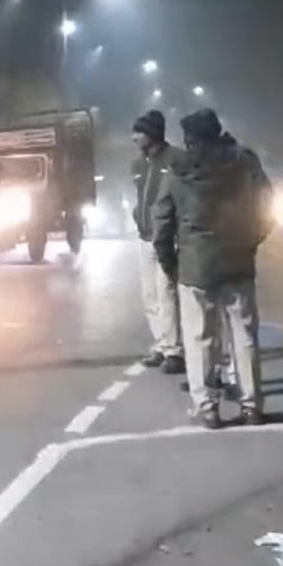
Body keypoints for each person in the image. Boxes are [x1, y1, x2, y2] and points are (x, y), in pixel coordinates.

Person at [154, 109, 274, 429]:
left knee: (200, 337)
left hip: (196, 264)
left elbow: (161, 224)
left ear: (189, 139)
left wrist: (171, 264)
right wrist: (252, 239)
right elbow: (268, 206)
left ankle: (207, 407)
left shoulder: (177, 171)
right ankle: (252, 406)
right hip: (238, 259)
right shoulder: (245, 163)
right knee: (244, 335)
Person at [130, 109, 185, 374]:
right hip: (145, 237)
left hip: (167, 237)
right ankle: (162, 345)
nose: (134, 137)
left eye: (139, 132)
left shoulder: (176, 159)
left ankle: (174, 351)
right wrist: (137, 217)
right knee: (149, 296)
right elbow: (140, 197)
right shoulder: (138, 164)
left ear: (152, 133)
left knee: (167, 294)